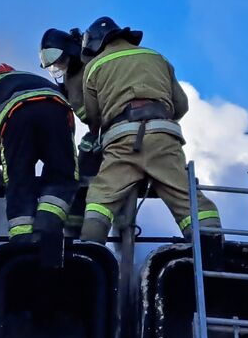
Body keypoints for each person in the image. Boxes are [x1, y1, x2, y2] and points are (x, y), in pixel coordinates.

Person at [76, 17, 222, 244]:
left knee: (99, 200)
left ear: (94, 44)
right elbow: (181, 104)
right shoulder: (157, 57)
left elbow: (93, 119)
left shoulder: (94, 66)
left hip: (121, 141)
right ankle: (213, 253)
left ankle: (91, 255)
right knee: (190, 201)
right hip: (163, 137)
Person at [0, 63, 79, 240]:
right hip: (57, 111)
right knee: (62, 174)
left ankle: (22, 241)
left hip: (16, 118)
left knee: (19, 180)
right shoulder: (37, 79)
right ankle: (47, 225)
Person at [38, 27, 101, 237]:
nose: (57, 66)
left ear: (70, 51)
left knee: (94, 180)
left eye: (59, 60)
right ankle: (73, 232)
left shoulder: (89, 67)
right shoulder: (70, 78)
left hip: (108, 132)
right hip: (96, 134)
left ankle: (105, 236)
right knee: (79, 179)